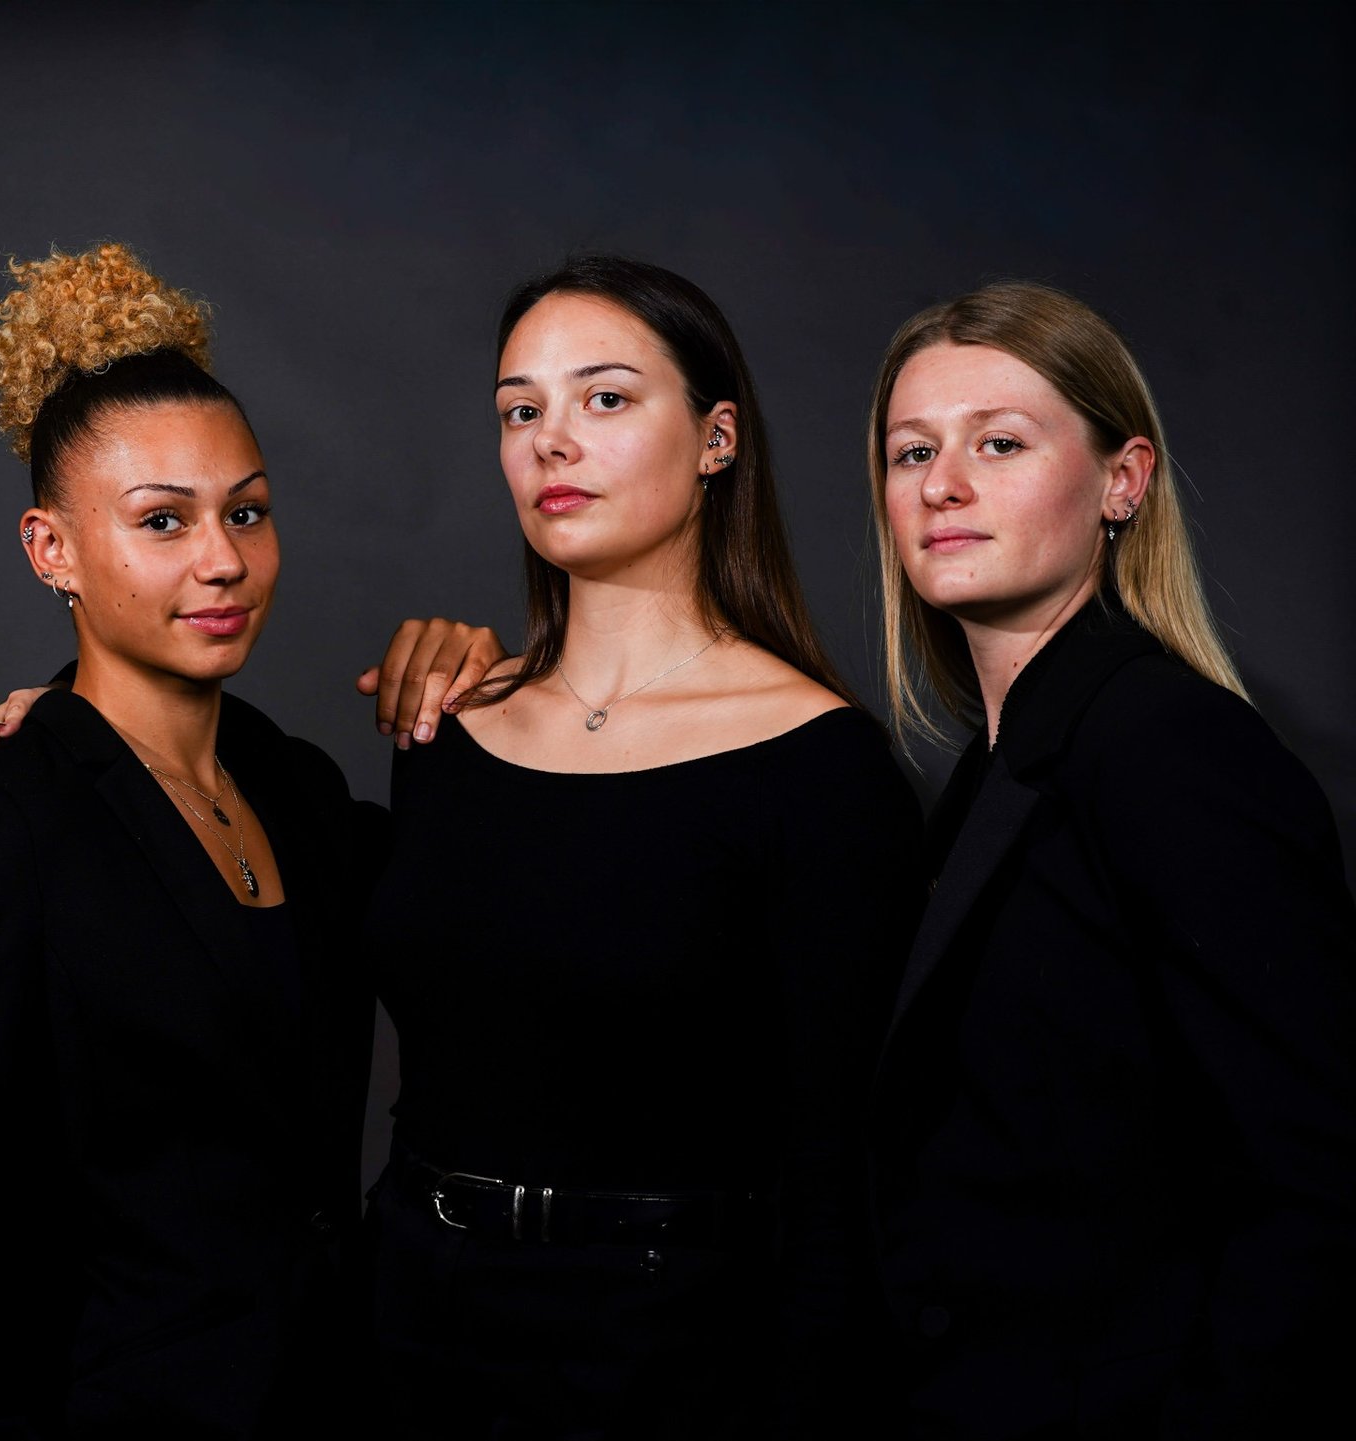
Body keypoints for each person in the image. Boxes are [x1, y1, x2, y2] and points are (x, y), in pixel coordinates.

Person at [0, 244, 508, 1437]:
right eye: (162, 521)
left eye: (246, 510)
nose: (223, 558)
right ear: (53, 551)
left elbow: (496, 943)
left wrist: (515, 687)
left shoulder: (298, 789)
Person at [361, 255, 925, 1437]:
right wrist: (61, 710)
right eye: (522, 410)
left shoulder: (821, 768)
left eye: (604, 398)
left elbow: (843, 1183)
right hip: (411, 1336)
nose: (551, 441)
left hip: (671, 1366)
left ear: (717, 438)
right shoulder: (442, 728)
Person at [864, 280, 1356, 1437]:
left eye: (1000, 442)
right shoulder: (998, 766)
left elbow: (1320, 1185)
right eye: (910, 451)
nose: (943, 483)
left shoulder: (1175, 750)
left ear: (1123, 482)